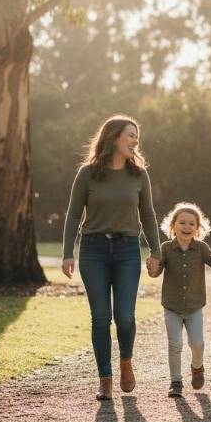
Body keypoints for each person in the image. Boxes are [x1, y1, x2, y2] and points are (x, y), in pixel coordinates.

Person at [61, 115, 161, 400]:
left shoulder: (139, 175)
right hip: (93, 251)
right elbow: (73, 214)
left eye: (136, 136)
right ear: (114, 137)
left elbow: (149, 215)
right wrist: (68, 252)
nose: (135, 141)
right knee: (101, 318)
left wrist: (155, 251)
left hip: (128, 250)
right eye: (130, 135)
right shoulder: (87, 174)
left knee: (126, 318)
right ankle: (104, 378)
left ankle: (126, 362)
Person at [149, 202, 211, 397]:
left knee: (197, 343)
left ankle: (197, 367)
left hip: (194, 306)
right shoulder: (166, 248)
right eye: (182, 223)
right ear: (173, 225)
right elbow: (157, 271)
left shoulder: (201, 248)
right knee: (174, 344)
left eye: (191, 224)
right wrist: (152, 268)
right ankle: (175, 382)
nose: (186, 227)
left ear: (197, 228)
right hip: (172, 306)